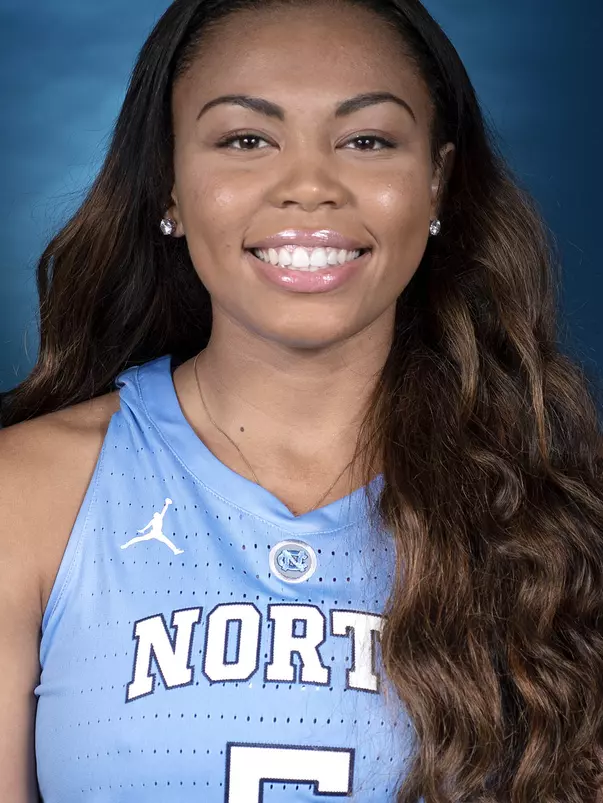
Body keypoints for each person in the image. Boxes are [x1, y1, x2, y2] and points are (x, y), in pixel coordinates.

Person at [1, 0, 602, 800]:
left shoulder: (558, 517)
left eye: (366, 140)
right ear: (169, 187)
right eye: (246, 139)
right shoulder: (29, 493)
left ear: (437, 186)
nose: (310, 186)